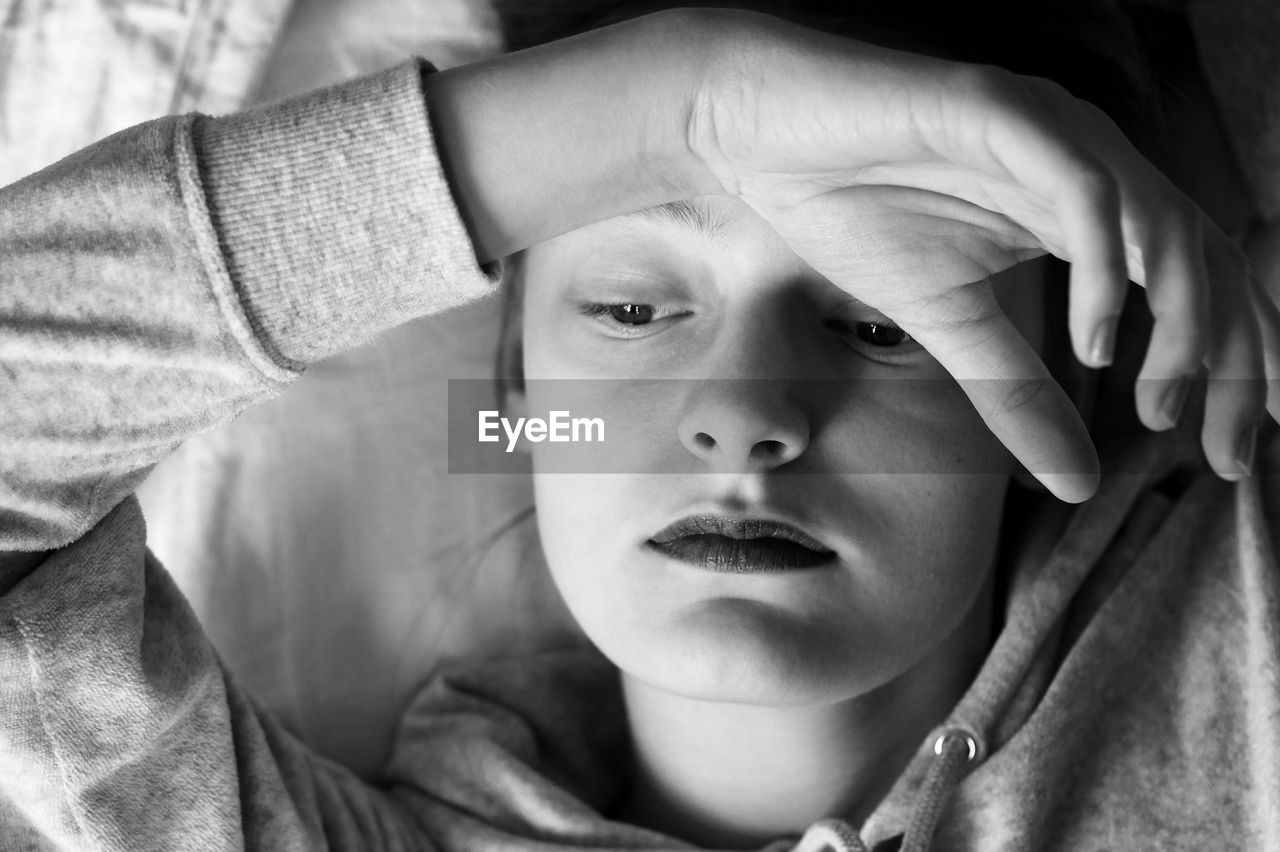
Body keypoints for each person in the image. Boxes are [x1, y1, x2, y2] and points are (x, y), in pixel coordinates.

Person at [0, 2, 1276, 851]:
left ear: (1065, 387)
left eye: (884, 328)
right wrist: (674, 108)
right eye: (628, 308)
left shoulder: (1236, 602)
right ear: (508, 405)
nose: (738, 418)